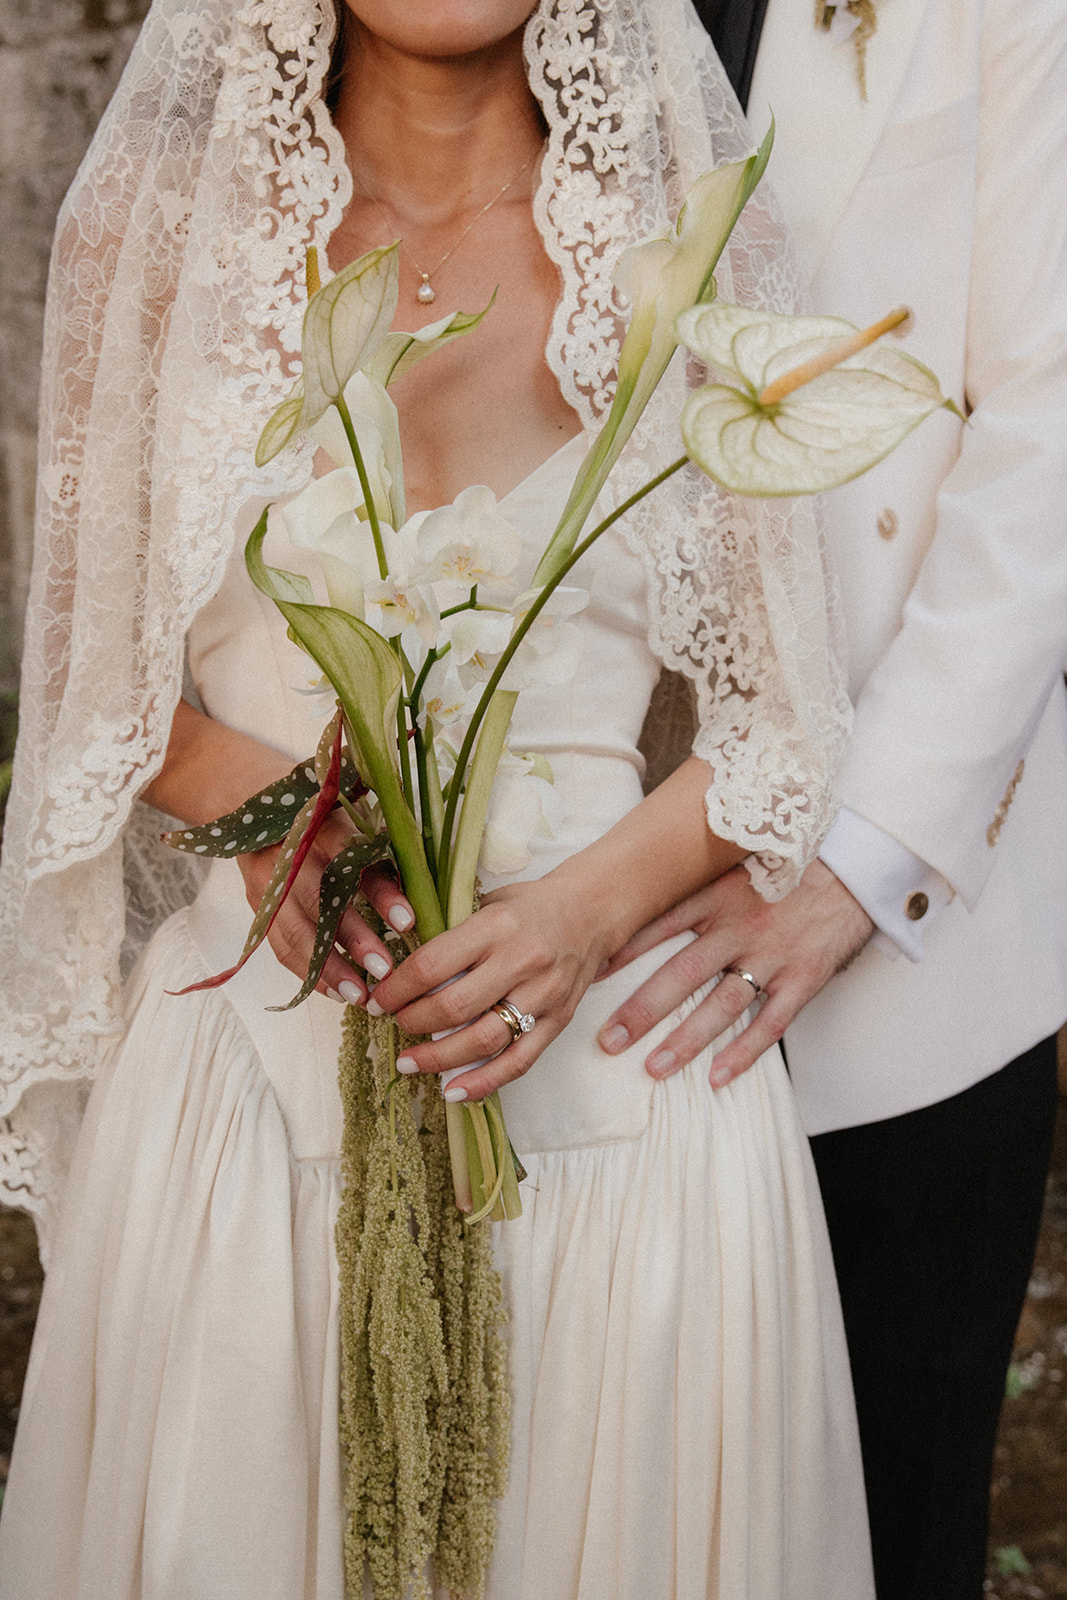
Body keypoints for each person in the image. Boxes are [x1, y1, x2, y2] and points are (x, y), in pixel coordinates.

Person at [0, 1, 879, 1595]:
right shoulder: (158, 228)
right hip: (254, 1103)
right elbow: (89, 695)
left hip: (623, 1089)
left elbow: (778, 716)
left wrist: (579, 911)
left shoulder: (687, 236)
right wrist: (284, 824)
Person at [598, 1, 1067, 1596]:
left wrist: (858, 864)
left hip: (902, 953)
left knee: (882, 1518)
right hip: (552, 893)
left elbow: (1048, 425)